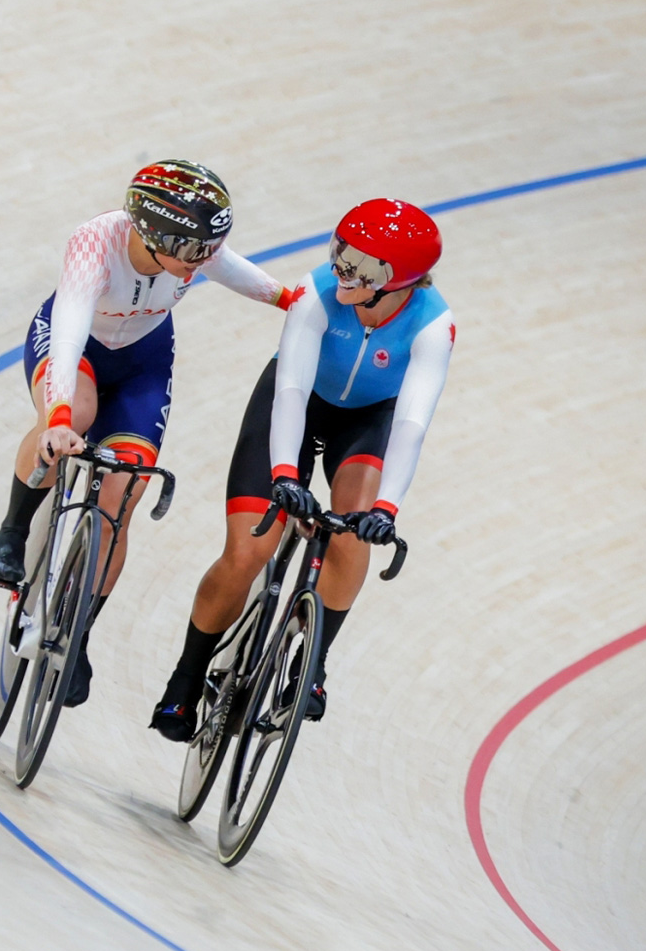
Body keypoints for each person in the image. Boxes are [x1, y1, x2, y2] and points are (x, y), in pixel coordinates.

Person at [0, 160, 301, 708]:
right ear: (155, 237)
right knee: (75, 415)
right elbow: (69, 331)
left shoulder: (192, 245)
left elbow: (238, 272)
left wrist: (289, 300)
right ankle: (12, 531)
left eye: (209, 249)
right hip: (75, 347)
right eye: (194, 253)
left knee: (125, 491)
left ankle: (78, 635)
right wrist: (57, 418)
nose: (203, 262)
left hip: (142, 362)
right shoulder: (94, 243)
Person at [150, 199, 454, 739]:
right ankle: (185, 678)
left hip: (366, 421)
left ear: (398, 283)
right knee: (248, 552)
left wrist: (386, 509)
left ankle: (311, 664)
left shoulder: (433, 326)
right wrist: (287, 474)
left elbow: (411, 424)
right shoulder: (317, 293)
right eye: (341, 254)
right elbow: (290, 387)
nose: (343, 272)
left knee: (352, 534)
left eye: (360, 268)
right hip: (296, 400)